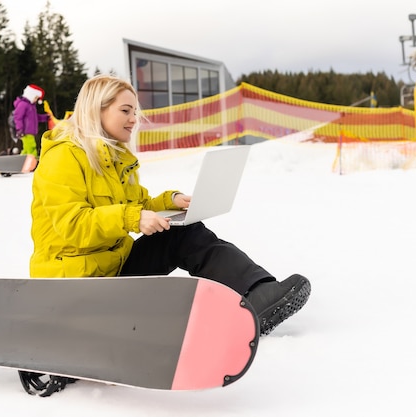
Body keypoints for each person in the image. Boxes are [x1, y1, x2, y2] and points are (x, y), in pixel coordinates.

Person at [30, 75, 311, 336]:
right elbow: (72, 225)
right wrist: (132, 217)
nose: (134, 119)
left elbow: (138, 204)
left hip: (111, 272)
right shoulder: (64, 157)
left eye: (135, 111)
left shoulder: (115, 159)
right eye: (125, 111)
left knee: (182, 232)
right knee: (177, 236)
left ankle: (258, 294)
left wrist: (171, 201)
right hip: (76, 285)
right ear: (97, 110)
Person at [13, 84, 50, 158]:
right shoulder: (23, 104)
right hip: (25, 131)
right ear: (30, 95)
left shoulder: (31, 106)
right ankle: (33, 161)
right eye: (36, 97)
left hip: (30, 131)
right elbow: (17, 117)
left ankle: (21, 162)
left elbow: (36, 117)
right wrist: (20, 129)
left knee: (27, 148)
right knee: (31, 147)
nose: (36, 100)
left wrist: (46, 118)